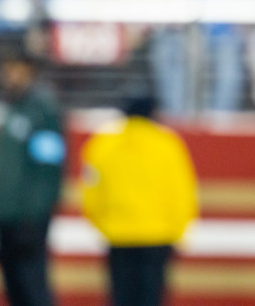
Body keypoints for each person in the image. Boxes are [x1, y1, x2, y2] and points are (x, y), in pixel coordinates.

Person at [80, 94, 198, 306]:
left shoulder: (102, 145)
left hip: (118, 236)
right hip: (157, 237)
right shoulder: (168, 144)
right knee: (150, 298)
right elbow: (183, 192)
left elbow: (91, 192)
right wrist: (178, 232)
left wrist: (103, 226)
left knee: (122, 298)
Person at [0, 40, 65, 306]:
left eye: (13, 68)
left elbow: (49, 169)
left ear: (29, 70)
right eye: (4, 69)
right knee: (14, 289)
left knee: (32, 288)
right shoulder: (10, 109)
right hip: (5, 219)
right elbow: (2, 170)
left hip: (28, 220)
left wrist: (37, 213)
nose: (7, 75)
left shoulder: (41, 110)